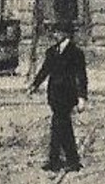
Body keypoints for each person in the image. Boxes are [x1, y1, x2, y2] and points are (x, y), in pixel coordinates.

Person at [28, 25, 87, 173]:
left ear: (66, 33)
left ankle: (62, 160)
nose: (54, 35)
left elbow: (81, 76)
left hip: (67, 95)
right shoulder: (52, 51)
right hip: (54, 95)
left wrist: (82, 97)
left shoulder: (76, 53)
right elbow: (44, 71)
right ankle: (67, 160)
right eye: (53, 32)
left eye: (57, 32)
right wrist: (34, 85)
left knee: (59, 124)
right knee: (61, 125)